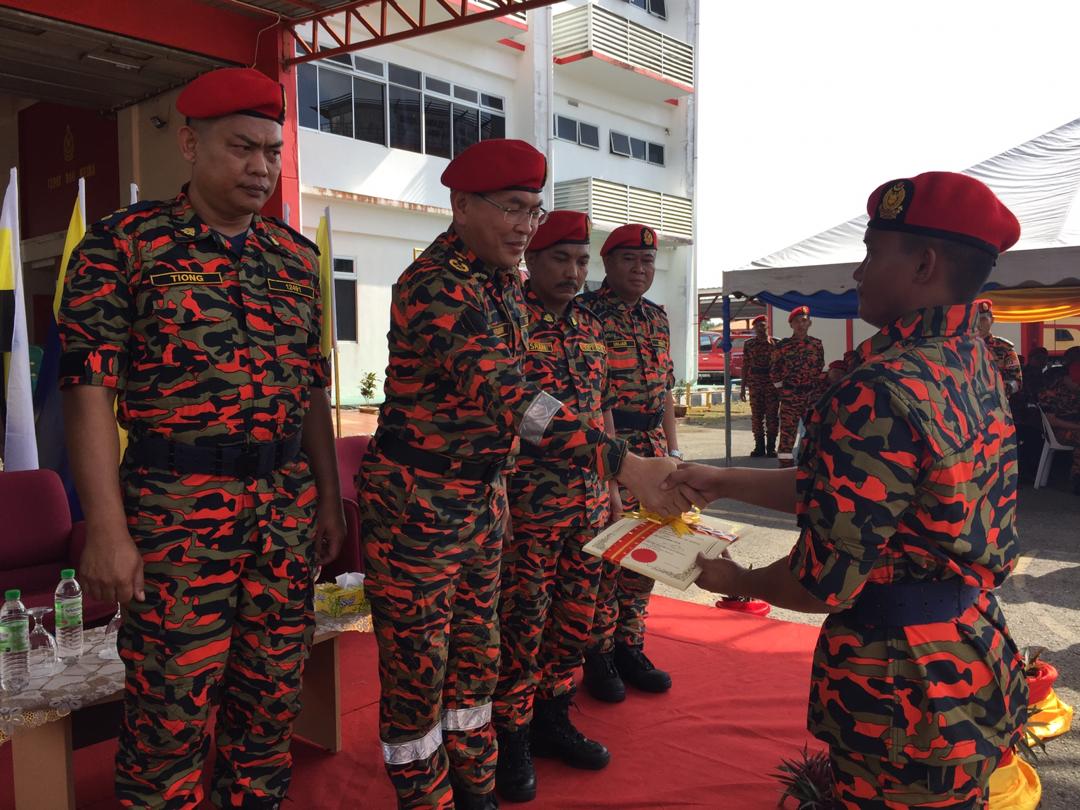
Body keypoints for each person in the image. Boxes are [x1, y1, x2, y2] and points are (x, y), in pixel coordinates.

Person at [661, 171, 1029, 808]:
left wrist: (736, 579)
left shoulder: (880, 387)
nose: (858, 273)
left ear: (924, 264)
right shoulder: (973, 359)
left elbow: (822, 582)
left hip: (902, 688)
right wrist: (721, 480)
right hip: (969, 652)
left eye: (871, 252)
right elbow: (859, 494)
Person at [57, 67, 345, 809]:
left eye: (272, 151)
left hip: (282, 510)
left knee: (272, 696)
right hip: (175, 514)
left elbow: (312, 388)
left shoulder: (295, 259)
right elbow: (88, 392)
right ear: (189, 144)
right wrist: (106, 531)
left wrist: (328, 497)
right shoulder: (124, 246)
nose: (260, 168)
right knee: (170, 707)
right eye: (241, 147)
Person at [355, 140, 675, 809]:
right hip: (419, 507)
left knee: (478, 657)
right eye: (511, 208)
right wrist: (623, 462)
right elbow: (514, 399)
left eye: (533, 210)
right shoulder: (436, 284)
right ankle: (425, 795)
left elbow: (529, 403)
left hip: (483, 498)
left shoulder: (499, 281)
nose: (526, 225)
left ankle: (476, 785)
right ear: (462, 205)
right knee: (419, 671)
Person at [492, 211, 618, 803]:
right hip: (529, 501)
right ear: (532, 259)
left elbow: (602, 406)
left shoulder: (591, 323)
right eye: (561, 259)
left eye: (582, 261)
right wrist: (500, 493)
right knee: (523, 622)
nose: (573, 272)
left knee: (575, 619)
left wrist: (613, 484)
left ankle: (553, 717)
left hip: (587, 501)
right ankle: (511, 736)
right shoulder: (509, 317)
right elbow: (500, 412)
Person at [578, 223, 678, 703]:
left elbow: (666, 393)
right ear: (608, 263)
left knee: (646, 553)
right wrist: (613, 478)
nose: (640, 269)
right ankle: (598, 654)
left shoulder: (656, 318)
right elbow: (596, 400)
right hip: (610, 448)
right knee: (609, 555)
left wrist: (674, 455)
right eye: (629, 260)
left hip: (654, 448)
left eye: (647, 261)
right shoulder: (587, 315)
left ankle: (629, 645)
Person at [769, 306, 824, 467]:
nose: (801, 324)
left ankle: (811, 463)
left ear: (809, 323)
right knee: (788, 433)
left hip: (811, 395)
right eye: (797, 321)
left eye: (804, 321)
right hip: (790, 395)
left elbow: (820, 366)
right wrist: (782, 390)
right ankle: (785, 465)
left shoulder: (816, 344)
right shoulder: (783, 346)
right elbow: (774, 370)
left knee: (814, 430)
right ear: (791, 325)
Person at [1037, 354, 1080, 493]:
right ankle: (1077, 479)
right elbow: (1052, 421)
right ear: (1066, 378)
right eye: (1076, 382)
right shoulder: (1050, 392)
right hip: (1059, 431)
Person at [740, 314, 779, 457]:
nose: (760, 329)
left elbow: (782, 365)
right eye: (756, 327)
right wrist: (742, 387)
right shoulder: (749, 344)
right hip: (755, 384)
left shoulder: (776, 343)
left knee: (772, 416)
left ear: (767, 326)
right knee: (757, 417)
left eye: (762, 325)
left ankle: (771, 447)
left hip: (771, 385)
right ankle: (759, 447)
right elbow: (745, 365)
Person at [975, 298, 1023, 395]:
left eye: (983, 319)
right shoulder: (963, 346)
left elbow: (1016, 382)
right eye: (975, 319)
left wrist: (997, 390)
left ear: (992, 320)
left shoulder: (1005, 348)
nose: (979, 323)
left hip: (996, 401)